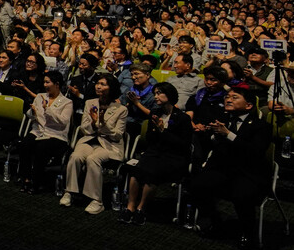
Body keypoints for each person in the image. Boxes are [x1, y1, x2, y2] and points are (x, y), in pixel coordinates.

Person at [188, 87, 271, 249]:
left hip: (248, 172)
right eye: (227, 97)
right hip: (223, 169)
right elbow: (212, 145)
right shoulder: (222, 119)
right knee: (196, 185)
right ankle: (215, 221)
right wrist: (212, 134)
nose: (228, 99)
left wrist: (228, 135)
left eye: (234, 97)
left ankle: (247, 233)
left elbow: (255, 152)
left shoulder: (261, 126)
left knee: (241, 194)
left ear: (248, 105)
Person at [118, 82, 193, 225]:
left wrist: (163, 131)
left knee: (151, 173)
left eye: (159, 93)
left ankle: (141, 208)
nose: (156, 96)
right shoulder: (155, 114)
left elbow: (183, 145)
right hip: (155, 152)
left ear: (169, 95)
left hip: (174, 156)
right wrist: (155, 130)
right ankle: (130, 207)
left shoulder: (182, 118)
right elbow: (150, 140)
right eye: (155, 93)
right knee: (136, 171)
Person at [61, 75, 127, 214]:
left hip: (109, 144)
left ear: (111, 88)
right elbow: (84, 129)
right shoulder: (90, 103)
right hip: (89, 139)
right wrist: (93, 122)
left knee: (93, 159)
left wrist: (102, 123)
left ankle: (97, 201)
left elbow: (117, 135)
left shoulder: (121, 109)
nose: (98, 86)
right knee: (75, 156)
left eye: (103, 84)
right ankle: (69, 191)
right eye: (97, 83)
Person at [16, 70, 74, 192]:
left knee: (40, 149)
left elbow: (63, 121)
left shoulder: (67, 102)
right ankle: (26, 178)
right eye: (44, 82)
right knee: (24, 145)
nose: (45, 85)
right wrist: (32, 112)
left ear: (57, 84)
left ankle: (37, 182)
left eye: (48, 82)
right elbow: (31, 117)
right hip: (38, 131)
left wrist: (47, 110)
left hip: (56, 135)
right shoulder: (39, 97)